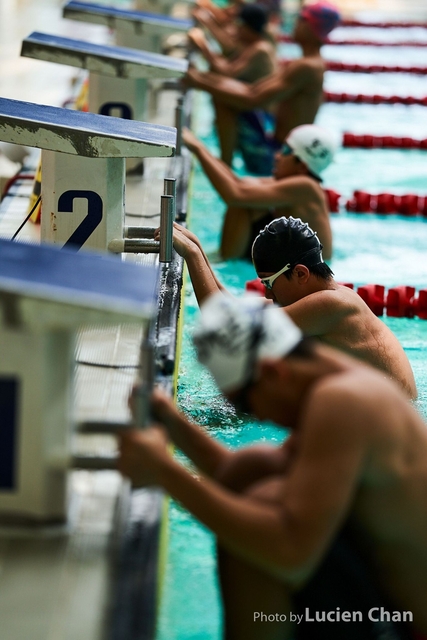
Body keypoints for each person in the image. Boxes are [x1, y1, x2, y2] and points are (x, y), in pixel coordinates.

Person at [118, 292, 427, 640]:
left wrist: (164, 473)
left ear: (275, 373)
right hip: (378, 607)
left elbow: (291, 553)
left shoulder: (344, 401)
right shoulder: (341, 382)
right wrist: (174, 424)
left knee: (257, 534)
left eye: (246, 405)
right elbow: (233, 474)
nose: (260, 416)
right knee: (254, 468)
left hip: (402, 627)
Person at [158, 217, 417, 399]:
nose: (267, 292)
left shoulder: (333, 304)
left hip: (392, 420)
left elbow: (228, 324)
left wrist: (191, 254)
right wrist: (197, 249)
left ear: (301, 274)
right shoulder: (322, 299)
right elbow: (233, 309)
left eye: (269, 282)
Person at [184, 1, 341, 175]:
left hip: (278, 157)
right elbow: (253, 90)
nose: (296, 22)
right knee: (225, 92)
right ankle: (224, 167)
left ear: (312, 27)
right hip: (278, 145)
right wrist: (200, 78)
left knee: (224, 100)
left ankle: (224, 171)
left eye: (301, 18)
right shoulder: (306, 63)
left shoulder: (307, 67)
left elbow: (253, 98)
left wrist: (198, 81)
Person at [182, 122, 335, 260]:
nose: (277, 156)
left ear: (302, 166)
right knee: (248, 194)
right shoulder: (297, 183)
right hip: (289, 257)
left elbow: (235, 195)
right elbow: (239, 184)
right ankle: (221, 258)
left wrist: (198, 149)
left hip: (309, 267)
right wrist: (200, 147)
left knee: (243, 202)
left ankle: (221, 260)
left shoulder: (305, 187)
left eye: (286, 151)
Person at [189, 3, 278, 166]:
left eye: (238, 25)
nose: (235, 29)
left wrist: (203, 45)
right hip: (256, 117)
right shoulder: (256, 44)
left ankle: (225, 164)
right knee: (219, 90)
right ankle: (225, 161)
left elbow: (226, 73)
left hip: (262, 127)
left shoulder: (260, 49)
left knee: (222, 99)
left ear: (247, 27)